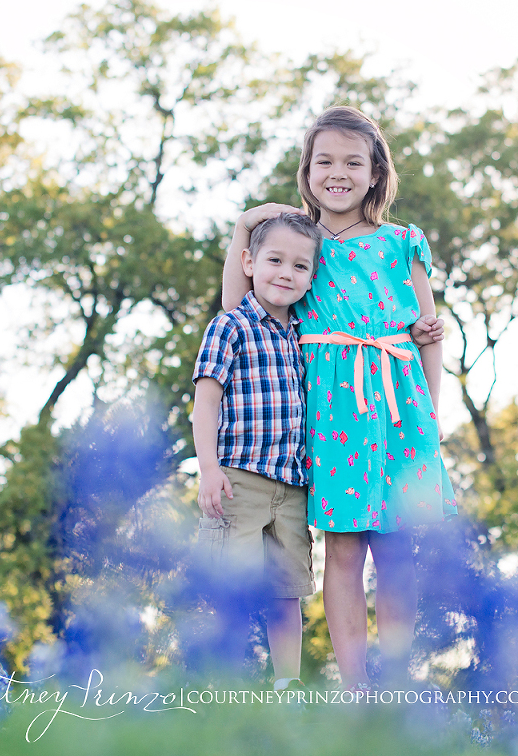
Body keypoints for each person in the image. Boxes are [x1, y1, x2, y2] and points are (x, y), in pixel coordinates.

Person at [221, 106, 456, 692]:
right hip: (330, 413)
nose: (339, 172)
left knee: (399, 550)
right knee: (345, 549)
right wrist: (243, 227)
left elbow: (427, 331)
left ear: (375, 172)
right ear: (306, 172)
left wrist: (435, 406)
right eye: (324, 160)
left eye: (354, 162)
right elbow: (235, 309)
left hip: (400, 408)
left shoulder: (405, 242)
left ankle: (398, 685)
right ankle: (356, 690)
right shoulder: (297, 241)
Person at [192, 212, 323, 692]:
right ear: (248, 262)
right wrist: (209, 468)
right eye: (274, 260)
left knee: (286, 593)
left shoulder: (304, 335)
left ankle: (286, 686)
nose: (286, 273)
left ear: (312, 277)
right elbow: (205, 401)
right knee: (224, 587)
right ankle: (213, 683)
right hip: (238, 478)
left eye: (300, 266)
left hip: (291, 488)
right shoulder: (231, 325)